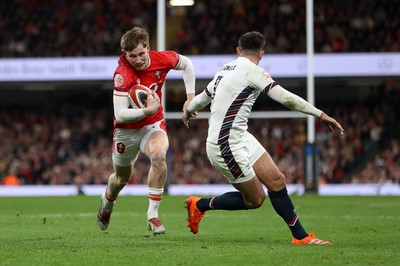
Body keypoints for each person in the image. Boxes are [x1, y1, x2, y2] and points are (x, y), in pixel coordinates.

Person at [182, 31, 344, 245]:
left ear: (238, 50)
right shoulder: (255, 71)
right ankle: (200, 205)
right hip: (225, 144)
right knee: (256, 199)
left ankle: (301, 237)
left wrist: (188, 110)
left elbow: (202, 99)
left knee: (277, 180)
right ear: (262, 53)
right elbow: (286, 98)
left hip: (240, 136)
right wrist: (320, 114)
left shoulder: (223, 70)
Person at [97, 26, 196, 235]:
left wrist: (190, 97)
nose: (138, 59)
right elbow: (121, 114)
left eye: (142, 53)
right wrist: (148, 109)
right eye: (132, 56)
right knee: (121, 179)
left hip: (152, 125)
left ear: (148, 48)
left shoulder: (163, 59)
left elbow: (187, 64)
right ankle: (107, 201)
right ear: (125, 54)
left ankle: (153, 216)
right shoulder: (122, 74)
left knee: (159, 155)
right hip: (126, 131)